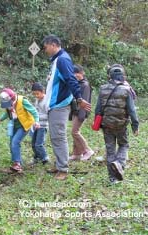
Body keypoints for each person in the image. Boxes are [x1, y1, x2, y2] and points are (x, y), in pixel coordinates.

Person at [41, 35, 91, 180]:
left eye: (46, 47)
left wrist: (79, 98)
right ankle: (59, 164)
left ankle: (63, 169)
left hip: (59, 105)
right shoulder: (58, 60)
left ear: (53, 45)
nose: (45, 50)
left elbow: (70, 79)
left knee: (59, 136)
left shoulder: (62, 59)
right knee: (55, 136)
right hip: (54, 104)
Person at [95, 64, 139, 184]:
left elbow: (98, 108)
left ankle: (112, 178)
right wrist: (135, 125)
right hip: (121, 125)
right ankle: (119, 163)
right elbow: (132, 110)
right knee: (123, 145)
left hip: (107, 125)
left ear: (110, 76)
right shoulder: (127, 90)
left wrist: (97, 123)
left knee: (110, 150)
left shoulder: (103, 88)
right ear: (122, 76)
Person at [0, 88, 40, 173]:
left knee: (15, 142)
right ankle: (16, 161)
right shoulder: (8, 103)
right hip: (15, 125)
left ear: (12, 98)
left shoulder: (22, 101)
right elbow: (7, 113)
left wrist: (37, 121)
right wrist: (0, 119)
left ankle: (17, 164)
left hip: (24, 125)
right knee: (11, 142)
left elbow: (34, 112)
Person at [69, 64, 94, 161]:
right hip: (76, 111)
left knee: (75, 132)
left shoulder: (85, 85)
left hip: (81, 113)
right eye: (73, 74)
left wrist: (82, 115)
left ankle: (87, 150)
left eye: (77, 73)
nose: (75, 75)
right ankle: (77, 154)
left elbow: (85, 101)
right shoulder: (77, 84)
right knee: (74, 132)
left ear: (81, 73)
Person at [30, 82, 49, 165]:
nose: (36, 96)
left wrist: (38, 117)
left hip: (43, 125)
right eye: (34, 94)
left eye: (37, 94)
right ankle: (37, 157)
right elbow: (36, 110)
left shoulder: (46, 101)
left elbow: (48, 114)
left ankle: (45, 158)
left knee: (39, 144)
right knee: (33, 143)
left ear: (43, 91)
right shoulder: (37, 100)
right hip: (36, 125)